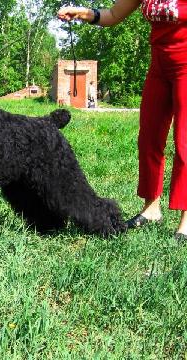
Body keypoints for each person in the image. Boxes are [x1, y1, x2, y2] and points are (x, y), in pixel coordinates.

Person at [58, 1, 187, 242]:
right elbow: (113, 14)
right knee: (148, 139)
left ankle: (186, 222)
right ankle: (151, 209)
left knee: (185, 145)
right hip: (159, 66)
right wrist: (81, 13)